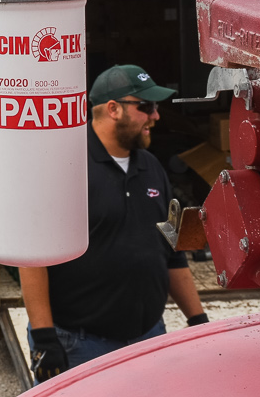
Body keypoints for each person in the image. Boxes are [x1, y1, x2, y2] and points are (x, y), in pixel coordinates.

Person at [19, 64, 208, 380]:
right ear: (113, 109)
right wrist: (44, 336)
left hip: (148, 337)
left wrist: (198, 319)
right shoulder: (65, 167)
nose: (156, 117)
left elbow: (171, 252)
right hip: (81, 345)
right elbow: (34, 258)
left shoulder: (151, 168)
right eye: (146, 107)